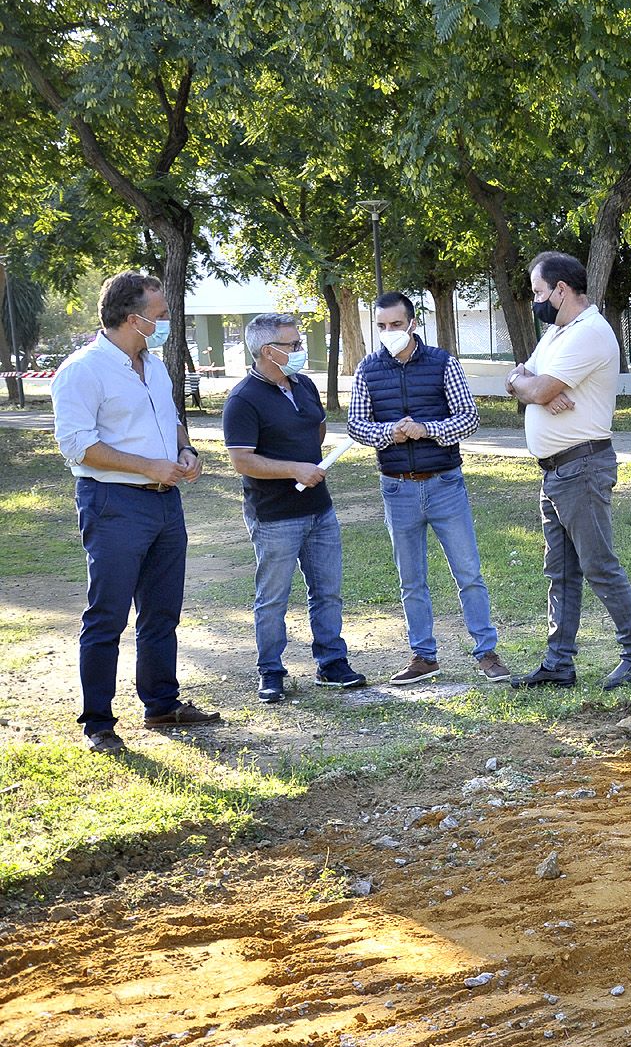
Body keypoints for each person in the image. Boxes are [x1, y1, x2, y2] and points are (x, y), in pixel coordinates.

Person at [49, 271, 222, 753]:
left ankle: (162, 705)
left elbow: (170, 419)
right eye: (161, 315)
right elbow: (78, 446)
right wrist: (150, 465)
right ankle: (98, 724)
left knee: (163, 610)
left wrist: (185, 453)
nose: (167, 322)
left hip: (166, 503)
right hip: (114, 504)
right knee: (108, 615)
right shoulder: (82, 370)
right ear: (133, 319)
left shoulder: (156, 364)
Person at [504, 251, 631, 691]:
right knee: (561, 571)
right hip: (554, 471)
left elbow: (538, 384)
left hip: (582, 466)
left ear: (561, 290)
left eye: (538, 293)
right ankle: (559, 664)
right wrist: (531, 389)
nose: (535, 302)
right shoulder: (557, 333)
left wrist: (535, 389)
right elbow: (520, 377)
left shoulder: (589, 333)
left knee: (598, 565)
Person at [347, 292, 511, 686]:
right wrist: (390, 432)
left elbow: (468, 418)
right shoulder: (367, 368)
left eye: (396, 325)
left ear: (413, 324)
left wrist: (428, 430)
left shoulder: (442, 363)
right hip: (397, 489)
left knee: (468, 571)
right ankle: (423, 655)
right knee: (411, 579)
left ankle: (486, 652)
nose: (389, 333)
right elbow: (356, 425)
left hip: (445, 484)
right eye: (382, 326)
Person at [222, 313, 367, 703]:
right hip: (274, 516)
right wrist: (294, 469)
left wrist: (308, 461)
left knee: (328, 591)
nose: (302, 351)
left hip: (320, 509)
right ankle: (270, 671)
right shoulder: (242, 399)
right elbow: (242, 461)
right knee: (273, 599)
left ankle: (332, 663)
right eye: (294, 345)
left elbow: (315, 428)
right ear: (268, 351)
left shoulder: (303, 385)